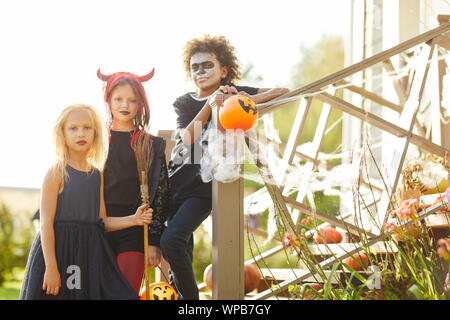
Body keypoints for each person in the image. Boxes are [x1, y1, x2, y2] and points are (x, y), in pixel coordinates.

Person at [160, 34, 289, 300]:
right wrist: (209, 105)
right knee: (179, 248)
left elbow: (283, 93)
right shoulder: (184, 102)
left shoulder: (232, 95)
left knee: (170, 240)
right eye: (195, 67)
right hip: (176, 184)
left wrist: (244, 98)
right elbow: (186, 138)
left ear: (224, 70)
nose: (200, 71)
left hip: (204, 187)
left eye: (207, 65)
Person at [20, 104, 152, 300]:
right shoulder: (56, 172)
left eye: (87, 128)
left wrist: (134, 219)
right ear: (62, 133)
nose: (80, 133)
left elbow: (101, 221)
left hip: (88, 255)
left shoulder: (96, 175)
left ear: (96, 134)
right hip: (59, 253)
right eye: (73, 128)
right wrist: (51, 267)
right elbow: (46, 223)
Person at [97, 69, 169, 295]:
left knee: (127, 293)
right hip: (99, 230)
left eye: (132, 100)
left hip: (136, 232)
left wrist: (154, 241)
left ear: (140, 104)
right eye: (118, 99)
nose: (124, 104)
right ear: (108, 100)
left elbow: (161, 192)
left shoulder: (150, 145)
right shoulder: (96, 142)